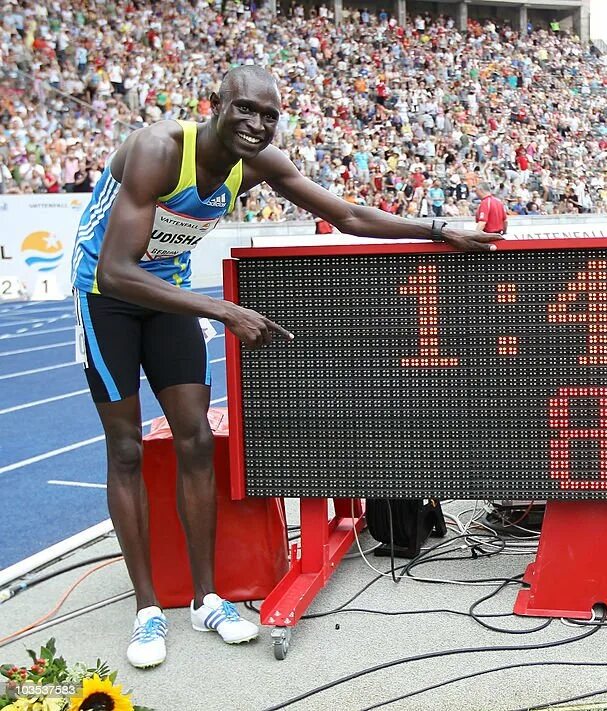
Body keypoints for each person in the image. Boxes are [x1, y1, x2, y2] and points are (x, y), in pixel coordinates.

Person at [69, 66, 498, 670]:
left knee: (194, 440)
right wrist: (222, 310)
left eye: (269, 116)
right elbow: (115, 269)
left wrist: (437, 230)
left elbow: (346, 217)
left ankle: (206, 598)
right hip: (106, 296)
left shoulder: (259, 160)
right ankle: (147, 611)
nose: (257, 125)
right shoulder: (157, 151)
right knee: (128, 450)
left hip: (166, 294)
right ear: (215, 106)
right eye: (244, 109)